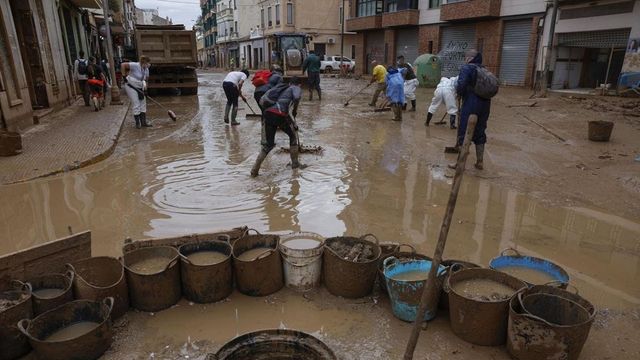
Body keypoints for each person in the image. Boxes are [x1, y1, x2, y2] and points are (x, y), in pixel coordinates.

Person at [251, 77, 305, 177]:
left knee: (269, 145)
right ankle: (295, 164)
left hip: (268, 114)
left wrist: (293, 122)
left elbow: (282, 110)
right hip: (279, 115)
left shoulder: (281, 91)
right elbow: (296, 97)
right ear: (299, 84)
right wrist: (295, 108)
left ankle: (254, 170)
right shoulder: (295, 87)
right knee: (293, 137)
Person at [450, 49, 491, 170]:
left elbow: (461, 84)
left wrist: (459, 93)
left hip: (471, 102)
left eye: (466, 57)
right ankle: (480, 162)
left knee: (464, 131)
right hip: (485, 104)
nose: (465, 59)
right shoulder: (484, 69)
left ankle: (460, 164)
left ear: (470, 58)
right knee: (480, 131)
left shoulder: (467, 68)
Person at [121, 55, 152, 129]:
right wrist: (124, 76)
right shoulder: (135, 65)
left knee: (143, 103)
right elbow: (123, 65)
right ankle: (138, 123)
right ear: (144, 62)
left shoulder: (146, 70)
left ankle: (143, 122)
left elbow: (146, 81)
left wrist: (145, 90)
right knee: (136, 103)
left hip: (140, 86)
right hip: (131, 86)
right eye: (148, 63)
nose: (149, 65)